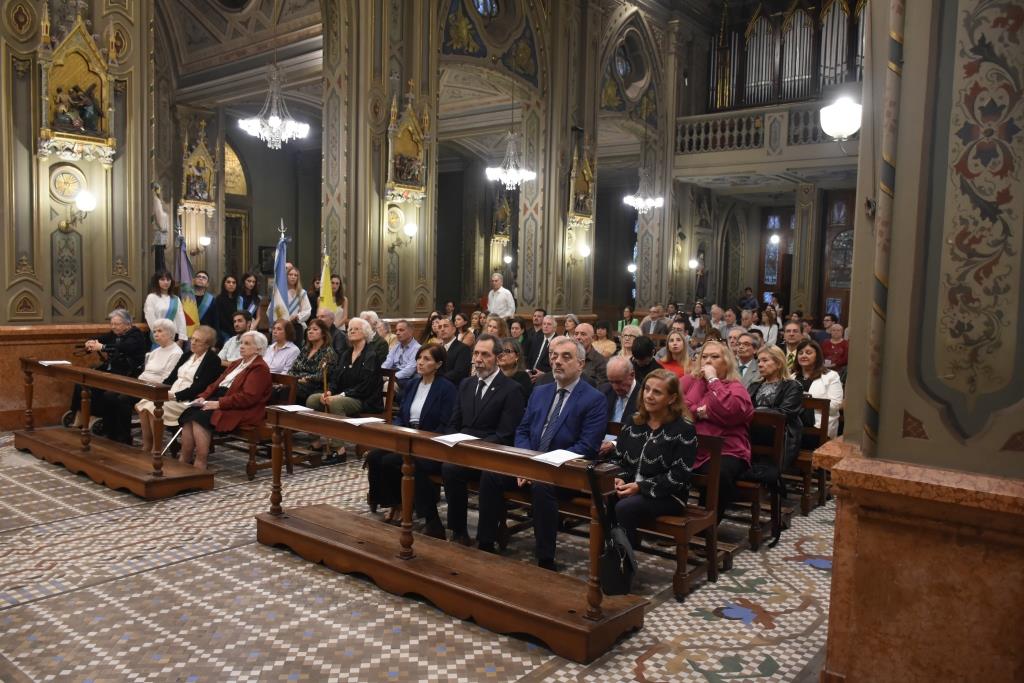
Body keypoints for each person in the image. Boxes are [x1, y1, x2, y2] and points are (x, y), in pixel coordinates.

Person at [477, 337, 607, 570]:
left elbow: (587, 446)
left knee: (541, 485)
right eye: (554, 356)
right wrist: (526, 463)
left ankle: (545, 558)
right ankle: (485, 543)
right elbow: (523, 430)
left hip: (567, 472)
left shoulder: (594, 399)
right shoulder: (540, 391)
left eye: (566, 357)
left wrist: (540, 466)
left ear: (580, 364)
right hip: (531, 464)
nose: (557, 361)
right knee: (491, 474)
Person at [416, 334, 525, 542]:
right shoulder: (466, 384)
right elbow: (453, 422)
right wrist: (450, 441)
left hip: (489, 452)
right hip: (460, 447)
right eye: (476, 354)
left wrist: (470, 447)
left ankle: (459, 531)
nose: (478, 359)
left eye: (485, 354)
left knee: (451, 468)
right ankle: (432, 520)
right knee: (418, 459)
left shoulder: (511, 389)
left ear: (498, 358)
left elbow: (505, 434)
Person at [607, 369, 698, 550]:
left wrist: (640, 487)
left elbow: (678, 476)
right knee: (604, 497)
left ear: (671, 398)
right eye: (647, 389)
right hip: (632, 488)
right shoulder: (634, 422)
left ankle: (624, 559)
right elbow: (618, 459)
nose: (649, 396)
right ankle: (610, 552)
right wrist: (620, 478)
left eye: (657, 392)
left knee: (624, 507)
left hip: (669, 495)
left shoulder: (683, 429)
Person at [366, 345, 457, 521]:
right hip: (407, 439)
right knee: (374, 456)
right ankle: (393, 502)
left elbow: (446, 424)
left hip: (430, 445)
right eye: (419, 358)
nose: (420, 362)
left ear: (438, 364)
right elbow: (401, 415)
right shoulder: (413, 384)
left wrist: (421, 440)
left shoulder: (446, 388)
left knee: (391, 461)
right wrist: (398, 430)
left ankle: (406, 505)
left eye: (426, 359)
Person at [177, 331, 273, 470]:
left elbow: (248, 397)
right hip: (221, 398)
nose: (241, 346)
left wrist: (218, 404)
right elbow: (215, 384)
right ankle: (184, 460)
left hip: (240, 407)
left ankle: (200, 463)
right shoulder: (237, 363)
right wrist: (203, 397)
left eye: (247, 344)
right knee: (190, 414)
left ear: (258, 349)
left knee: (200, 417)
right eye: (241, 343)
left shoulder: (260, 368)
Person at [681, 340, 754, 520]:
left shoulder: (735, 387)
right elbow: (682, 408)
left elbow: (728, 409)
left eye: (715, 357)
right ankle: (673, 516)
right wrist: (702, 411)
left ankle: (707, 524)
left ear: (726, 362)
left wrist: (713, 380)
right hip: (694, 447)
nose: (708, 361)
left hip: (727, 450)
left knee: (718, 473)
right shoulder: (693, 382)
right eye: (704, 356)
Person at [135, 325, 221, 454]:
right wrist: (159, 391)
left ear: (207, 344)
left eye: (197, 340)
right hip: (172, 394)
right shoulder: (187, 355)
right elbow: (171, 378)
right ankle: (147, 445)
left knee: (153, 407)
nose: (192, 342)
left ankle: (156, 449)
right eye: (192, 339)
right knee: (143, 403)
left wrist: (175, 396)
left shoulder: (212, 360)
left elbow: (199, 387)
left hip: (187, 399)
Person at [305, 318, 383, 456]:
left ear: (365, 333)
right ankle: (316, 442)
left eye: (356, 329)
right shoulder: (346, 354)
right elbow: (336, 377)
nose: (351, 331)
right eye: (350, 329)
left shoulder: (371, 355)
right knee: (312, 399)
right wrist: (329, 391)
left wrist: (340, 395)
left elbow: (365, 386)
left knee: (335, 403)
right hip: (343, 395)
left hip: (363, 399)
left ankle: (338, 449)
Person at [105, 318, 183, 443]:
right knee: (109, 395)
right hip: (141, 384)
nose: (156, 334)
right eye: (154, 331)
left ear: (170, 333)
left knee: (123, 399)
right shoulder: (155, 351)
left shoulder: (176, 353)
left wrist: (145, 384)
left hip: (155, 389)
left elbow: (167, 378)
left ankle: (124, 438)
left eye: (160, 331)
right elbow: (146, 372)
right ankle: (112, 434)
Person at [67, 309, 148, 428]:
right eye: (112, 324)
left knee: (95, 385)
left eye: (117, 324)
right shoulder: (114, 333)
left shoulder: (136, 335)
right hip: (112, 368)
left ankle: (93, 416)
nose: (113, 327)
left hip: (126, 372)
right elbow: (100, 338)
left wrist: (102, 347)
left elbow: (123, 347)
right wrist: (90, 342)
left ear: (128, 324)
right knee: (81, 382)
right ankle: (79, 414)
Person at [747, 345, 804, 470]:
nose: (760, 364)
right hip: (754, 429)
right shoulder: (754, 385)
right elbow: (744, 408)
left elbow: (785, 413)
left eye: (765, 360)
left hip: (779, 433)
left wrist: (754, 413)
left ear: (778, 364)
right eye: (759, 361)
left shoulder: (793, 386)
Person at [795, 339, 844, 439]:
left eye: (808, 353)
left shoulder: (831, 376)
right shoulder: (792, 377)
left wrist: (808, 400)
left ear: (817, 356)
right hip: (793, 425)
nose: (804, 355)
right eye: (800, 353)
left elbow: (836, 405)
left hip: (819, 426)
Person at [597, 356, 640, 458]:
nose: (615, 387)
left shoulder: (643, 397)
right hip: (598, 449)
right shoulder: (603, 391)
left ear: (632, 375)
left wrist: (614, 444)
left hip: (626, 453)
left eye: (619, 382)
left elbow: (639, 432)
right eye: (611, 382)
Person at [290, 318, 338, 406]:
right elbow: (293, 369)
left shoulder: (328, 352)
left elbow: (320, 376)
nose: (310, 332)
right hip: (299, 383)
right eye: (309, 329)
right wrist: (297, 379)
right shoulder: (305, 349)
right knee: (281, 387)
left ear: (323, 333)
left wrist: (302, 378)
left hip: (316, 387)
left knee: (290, 389)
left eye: (315, 329)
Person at [143, 270, 187, 347]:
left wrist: (181, 339)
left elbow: (181, 319)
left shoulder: (176, 299)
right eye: (162, 279)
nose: (166, 282)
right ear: (157, 281)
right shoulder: (151, 297)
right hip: (158, 337)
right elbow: (150, 319)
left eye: (168, 279)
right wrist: (161, 335)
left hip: (174, 337)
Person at [380, 320, 421, 390]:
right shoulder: (396, 346)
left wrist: (391, 377)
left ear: (411, 332)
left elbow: (409, 370)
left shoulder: (417, 348)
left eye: (401, 330)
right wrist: (382, 373)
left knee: (388, 385)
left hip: (406, 378)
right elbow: (388, 362)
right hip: (392, 374)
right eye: (396, 330)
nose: (397, 333)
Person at [435, 316, 471, 385]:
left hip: (453, 386)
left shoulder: (463, 348)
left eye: (445, 326)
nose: (442, 329)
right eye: (439, 327)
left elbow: (459, 373)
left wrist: (437, 379)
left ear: (454, 329)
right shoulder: (437, 348)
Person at [284, 267, 312, 332]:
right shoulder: (280, 293)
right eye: (290, 274)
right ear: (286, 276)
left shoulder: (302, 293)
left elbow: (307, 310)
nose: (293, 277)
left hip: (297, 326)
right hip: (282, 325)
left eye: (295, 275)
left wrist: (297, 317)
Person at [213, 275, 239, 345]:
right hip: (224, 332)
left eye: (234, 282)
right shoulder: (219, 299)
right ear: (224, 284)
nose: (231, 284)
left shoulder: (239, 299)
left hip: (238, 330)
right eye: (228, 282)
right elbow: (219, 319)